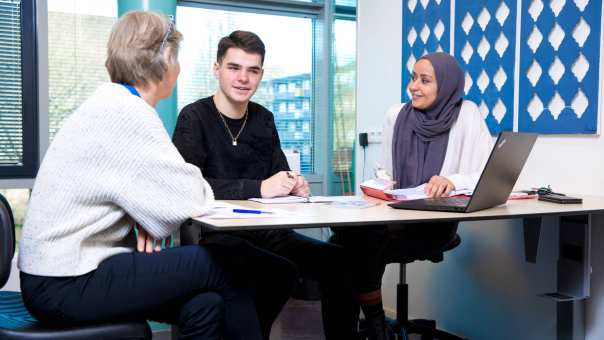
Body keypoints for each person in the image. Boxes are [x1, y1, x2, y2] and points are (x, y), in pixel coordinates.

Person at [18, 12, 262, 340]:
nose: (179, 66)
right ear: (163, 61)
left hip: (59, 275)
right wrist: (165, 206)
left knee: (204, 304)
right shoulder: (127, 113)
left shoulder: (111, 103)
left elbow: (151, 197)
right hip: (66, 281)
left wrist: (152, 211)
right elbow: (188, 197)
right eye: (176, 57)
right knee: (230, 263)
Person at [172, 30, 358, 340]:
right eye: (234, 67)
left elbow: (279, 175)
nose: (243, 78)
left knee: (340, 263)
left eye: (253, 70)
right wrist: (259, 188)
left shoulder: (264, 118)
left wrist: (294, 185)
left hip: (268, 233)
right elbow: (190, 186)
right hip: (216, 236)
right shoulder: (194, 117)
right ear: (216, 68)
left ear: (261, 74)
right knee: (276, 273)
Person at [332, 52, 493, 340]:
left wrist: (450, 181)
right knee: (344, 244)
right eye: (413, 77)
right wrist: (379, 186)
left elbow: (483, 176)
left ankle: (375, 323)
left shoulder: (466, 114)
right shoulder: (397, 115)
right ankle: (372, 324)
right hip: (395, 218)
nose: (413, 86)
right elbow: (386, 173)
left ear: (445, 85)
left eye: (424, 80)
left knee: (353, 244)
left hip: (435, 225)